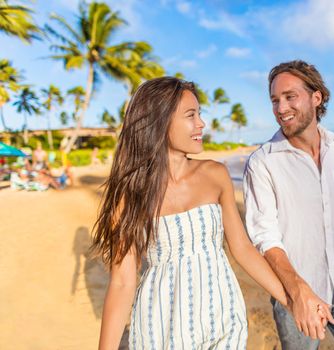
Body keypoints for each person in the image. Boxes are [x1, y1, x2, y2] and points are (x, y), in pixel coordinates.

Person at [92, 77, 291, 350]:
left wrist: (289, 299)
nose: (201, 124)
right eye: (191, 115)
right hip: (160, 328)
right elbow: (123, 282)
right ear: (160, 122)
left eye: (200, 114)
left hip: (223, 319)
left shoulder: (215, 175)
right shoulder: (130, 197)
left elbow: (242, 248)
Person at [243, 60, 334, 349]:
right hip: (299, 296)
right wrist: (297, 292)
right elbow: (265, 238)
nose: (281, 108)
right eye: (275, 100)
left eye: (290, 97)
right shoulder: (262, 163)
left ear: (316, 97)